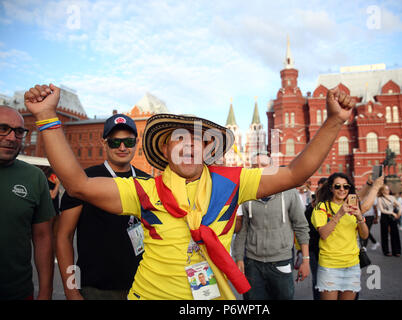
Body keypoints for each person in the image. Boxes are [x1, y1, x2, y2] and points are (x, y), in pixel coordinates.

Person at [23, 83, 355, 300]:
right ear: (166, 151)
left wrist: (334, 121)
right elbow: (78, 184)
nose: (189, 146)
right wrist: (47, 117)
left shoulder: (233, 182)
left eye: (198, 139)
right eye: (179, 139)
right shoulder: (145, 190)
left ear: (209, 150)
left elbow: (296, 173)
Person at [57, 114, 150, 300]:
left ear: (136, 143)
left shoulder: (148, 181)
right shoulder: (84, 181)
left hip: (144, 286)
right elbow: (64, 237)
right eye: (115, 142)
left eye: (128, 142)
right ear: (104, 143)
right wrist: (70, 289)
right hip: (96, 290)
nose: (122, 147)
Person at [233, 152, 310, 300]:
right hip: (252, 263)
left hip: (281, 261)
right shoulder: (246, 193)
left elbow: (301, 226)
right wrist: (239, 258)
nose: (259, 169)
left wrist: (305, 260)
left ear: (272, 168)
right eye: (255, 166)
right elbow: (243, 230)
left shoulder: (289, 192)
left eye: (263, 165)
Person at [0, 105, 55, 300]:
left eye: (19, 131)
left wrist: (46, 292)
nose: (11, 137)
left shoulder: (34, 177)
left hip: (18, 293)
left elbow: (43, 238)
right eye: (3, 128)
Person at [311, 172, 369, 300]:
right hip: (330, 266)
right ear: (331, 188)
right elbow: (324, 234)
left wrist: (360, 217)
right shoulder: (322, 207)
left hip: (352, 264)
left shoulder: (354, 207)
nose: (342, 189)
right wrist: (340, 213)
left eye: (345, 186)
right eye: (337, 186)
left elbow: (364, 235)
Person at [377, 184, 402, 257]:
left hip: (392, 216)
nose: (387, 191)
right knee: (384, 234)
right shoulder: (380, 198)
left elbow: (399, 205)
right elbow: (381, 210)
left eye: (388, 189)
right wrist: (392, 213)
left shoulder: (392, 197)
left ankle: (397, 251)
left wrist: (400, 212)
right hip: (385, 216)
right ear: (382, 191)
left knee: (395, 233)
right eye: (386, 189)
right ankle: (386, 251)